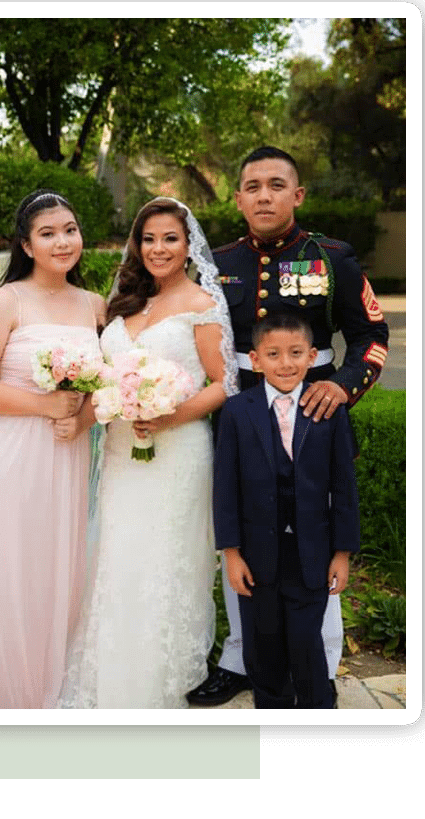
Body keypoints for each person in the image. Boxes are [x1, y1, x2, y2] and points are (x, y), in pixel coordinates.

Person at [188, 145, 389, 707]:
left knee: (315, 534)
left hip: (314, 417)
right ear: (238, 199)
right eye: (253, 187)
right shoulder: (216, 264)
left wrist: (343, 387)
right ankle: (242, 659)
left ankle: (320, 662)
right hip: (240, 418)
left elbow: (371, 336)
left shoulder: (332, 258)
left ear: (297, 195)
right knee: (243, 535)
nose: (264, 196)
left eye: (276, 185)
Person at [57, 197, 238, 708]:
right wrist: (84, 414)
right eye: (149, 239)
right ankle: (108, 675)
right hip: (121, 451)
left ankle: (159, 682)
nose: (159, 249)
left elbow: (225, 383)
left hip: (178, 452)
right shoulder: (123, 302)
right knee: (118, 557)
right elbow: (103, 379)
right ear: (137, 245)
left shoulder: (202, 303)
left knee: (165, 561)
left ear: (188, 246)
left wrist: (167, 415)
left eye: (170, 239)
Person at [0, 189, 105, 709]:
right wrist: (46, 406)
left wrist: (80, 418)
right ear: (26, 245)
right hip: (14, 452)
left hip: (70, 450)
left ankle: (53, 680)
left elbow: (108, 382)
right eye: (48, 233)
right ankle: (8, 691)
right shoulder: (6, 302)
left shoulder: (95, 305)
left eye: (70, 230)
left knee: (64, 563)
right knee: (15, 566)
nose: (62, 242)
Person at [213, 311, 360, 708]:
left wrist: (342, 553)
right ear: (255, 359)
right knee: (263, 645)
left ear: (312, 356)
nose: (285, 363)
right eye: (273, 354)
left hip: (312, 553)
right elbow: (225, 488)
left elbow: (343, 487)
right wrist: (231, 553)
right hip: (256, 555)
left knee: (305, 643)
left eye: (296, 353)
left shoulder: (329, 411)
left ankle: (316, 711)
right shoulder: (236, 411)